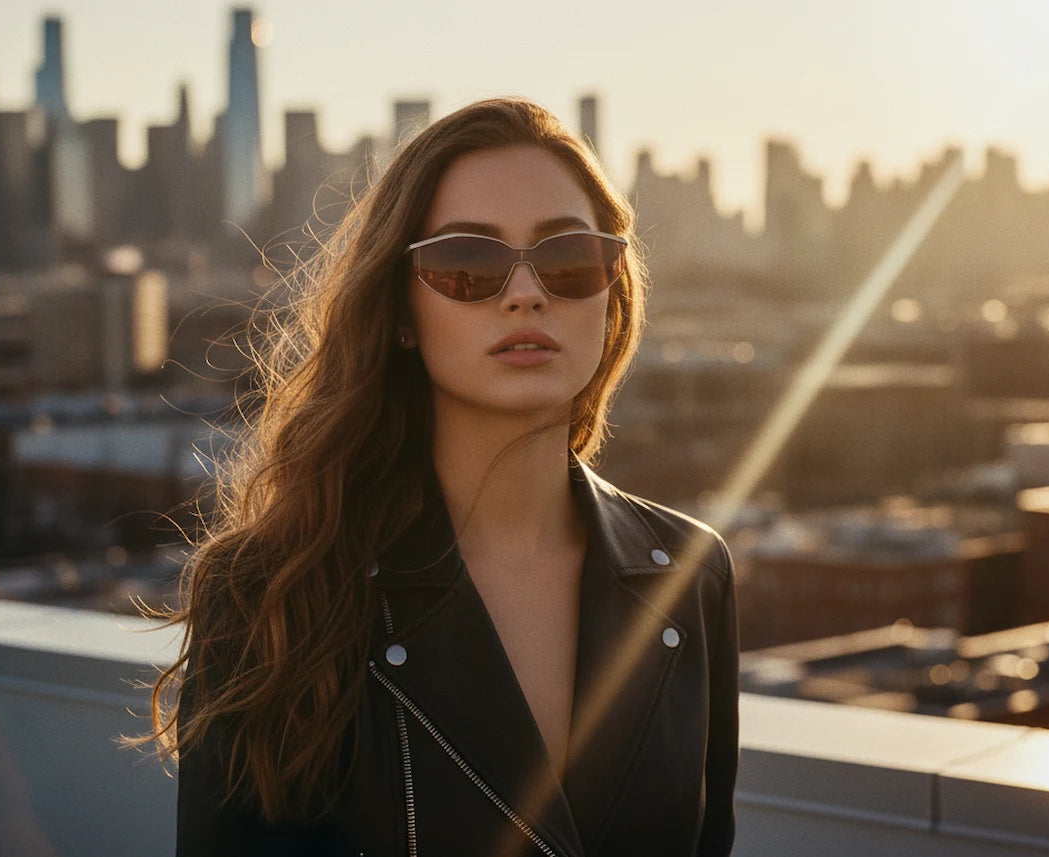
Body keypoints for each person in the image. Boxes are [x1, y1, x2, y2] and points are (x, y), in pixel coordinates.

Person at [142, 97, 739, 856]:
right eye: (467, 266)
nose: (527, 293)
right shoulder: (274, 592)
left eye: (567, 260)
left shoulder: (692, 574)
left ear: (612, 296)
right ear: (399, 310)